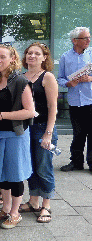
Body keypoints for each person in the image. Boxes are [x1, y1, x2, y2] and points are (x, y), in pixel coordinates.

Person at [0, 44, 35, 229]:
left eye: (2, 57)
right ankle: (5, 210)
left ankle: (15, 213)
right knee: (2, 176)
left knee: (15, 176)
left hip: (15, 135)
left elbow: (29, 112)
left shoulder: (20, 81)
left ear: (12, 59)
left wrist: (1, 115)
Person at [19, 42, 58, 223]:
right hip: (27, 129)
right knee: (31, 168)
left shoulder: (47, 77)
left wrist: (48, 133)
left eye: (36, 53)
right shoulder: (21, 77)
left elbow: (52, 107)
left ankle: (46, 205)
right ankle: (33, 201)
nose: (32, 56)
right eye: (29, 53)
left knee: (44, 167)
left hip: (43, 128)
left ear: (44, 57)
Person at [57, 27, 92, 172]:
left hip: (90, 100)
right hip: (74, 101)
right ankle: (76, 162)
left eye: (89, 37)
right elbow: (59, 78)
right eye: (85, 38)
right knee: (78, 134)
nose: (88, 40)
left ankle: (91, 163)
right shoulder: (65, 57)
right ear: (74, 40)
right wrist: (67, 83)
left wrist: (90, 78)